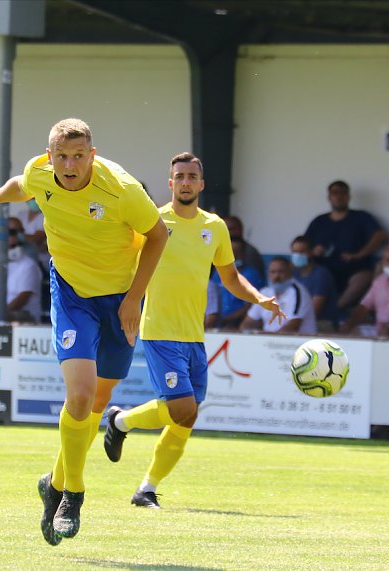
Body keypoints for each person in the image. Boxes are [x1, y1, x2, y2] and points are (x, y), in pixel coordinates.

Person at [0, 118, 168, 544]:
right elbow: (23, 184)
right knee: (78, 396)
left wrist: (133, 299)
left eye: (78, 156)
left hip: (120, 300)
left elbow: (158, 235)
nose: (69, 165)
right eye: (62, 156)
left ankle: (52, 484)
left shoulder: (123, 190)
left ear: (92, 155)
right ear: (50, 154)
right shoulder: (43, 172)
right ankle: (73, 492)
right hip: (72, 294)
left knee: (98, 402)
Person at [102, 152, 282, 509]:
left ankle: (146, 486)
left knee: (186, 417)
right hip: (157, 331)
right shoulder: (151, 223)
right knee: (182, 406)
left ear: (201, 184)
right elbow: (121, 261)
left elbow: (229, 277)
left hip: (194, 337)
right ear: (170, 183)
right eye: (179, 176)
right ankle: (120, 423)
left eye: (191, 177)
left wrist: (259, 298)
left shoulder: (214, 227)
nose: (185, 182)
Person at [304, 180, 388, 310]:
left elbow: (381, 236)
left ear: (348, 196)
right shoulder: (319, 221)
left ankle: (336, 309)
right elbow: (303, 245)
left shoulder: (361, 217)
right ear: (329, 197)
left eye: (343, 193)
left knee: (364, 277)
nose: (339, 196)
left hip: (354, 269)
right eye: (335, 193)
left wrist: (359, 254)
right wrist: (314, 250)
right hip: (324, 269)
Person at [339, 246, 389, 337]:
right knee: (353, 333)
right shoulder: (380, 281)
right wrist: (349, 324)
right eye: (388, 260)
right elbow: (364, 306)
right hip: (379, 328)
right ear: (383, 262)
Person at [240, 256, 314, 334]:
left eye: (280, 272)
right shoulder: (264, 293)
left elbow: (291, 327)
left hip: (296, 343)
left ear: (290, 272)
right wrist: (247, 331)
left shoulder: (298, 292)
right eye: (273, 272)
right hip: (269, 342)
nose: (276, 276)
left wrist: (265, 338)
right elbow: (247, 322)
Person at [210, 235, 264, 328]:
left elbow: (253, 303)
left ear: (243, 254)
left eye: (237, 252)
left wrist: (229, 319)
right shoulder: (218, 272)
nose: (233, 255)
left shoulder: (251, 274)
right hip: (216, 322)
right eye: (231, 252)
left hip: (239, 323)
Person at [289, 235, 338, 329]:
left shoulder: (321, 275)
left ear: (311, 252)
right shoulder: (294, 274)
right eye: (295, 252)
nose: (298, 255)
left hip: (323, 323)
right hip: (298, 320)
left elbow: (314, 311)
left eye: (302, 252)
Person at [6, 216, 42, 322]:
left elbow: (21, 300)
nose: (18, 236)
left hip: (24, 316)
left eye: (21, 231)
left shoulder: (28, 265)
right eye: (12, 232)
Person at [16, 197, 50, 267]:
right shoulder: (21, 214)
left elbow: (36, 239)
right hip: (21, 257)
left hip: (41, 262)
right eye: (32, 198)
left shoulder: (47, 217)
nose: (34, 201)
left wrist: (17, 236)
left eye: (35, 198)